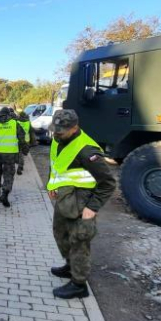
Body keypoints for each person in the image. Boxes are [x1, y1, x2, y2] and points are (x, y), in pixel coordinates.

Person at [47, 110, 116, 299]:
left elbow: (108, 183)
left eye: (61, 131)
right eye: (55, 129)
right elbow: (56, 165)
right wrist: (51, 184)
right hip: (65, 199)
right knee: (60, 235)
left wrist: (92, 208)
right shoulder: (58, 139)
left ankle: (79, 284)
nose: (56, 134)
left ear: (74, 128)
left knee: (79, 242)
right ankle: (70, 267)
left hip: (82, 203)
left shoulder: (87, 150)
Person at [0, 107, 27, 207]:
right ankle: (5, 194)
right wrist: (25, 149)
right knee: (8, 175)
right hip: (10, 155)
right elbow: (21, 138)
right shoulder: (14, 123)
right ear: (9, 114)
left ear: (0, 114)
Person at [15, 110, 35, 175]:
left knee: (19, 154)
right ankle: (20, 166)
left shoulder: (16, 122)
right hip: (26, 141)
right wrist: (33, 142)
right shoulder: (28, 122)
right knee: (23, 154)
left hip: (17, 140)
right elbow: (32, 133)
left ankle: (20, 165)